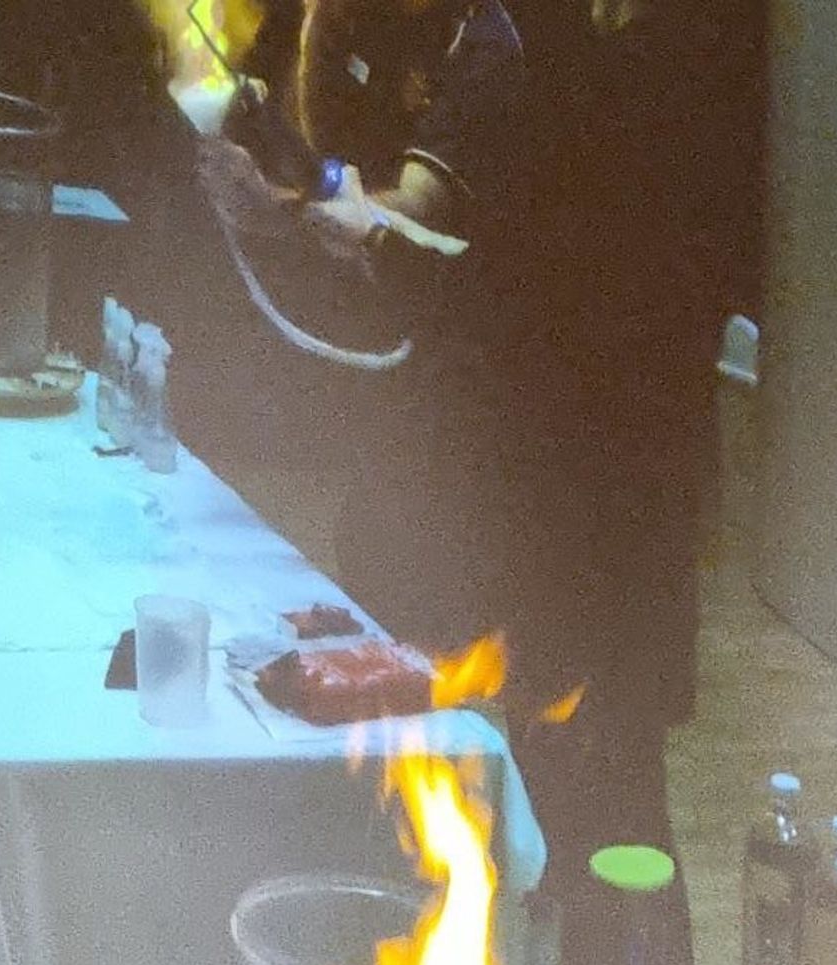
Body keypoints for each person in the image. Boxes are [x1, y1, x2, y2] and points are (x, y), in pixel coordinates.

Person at [190, 0, 762, 905]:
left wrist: (340, 223)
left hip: (597, 494)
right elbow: (430, 231)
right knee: (449, 778)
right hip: (498, 477)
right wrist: (305, 213)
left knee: (603, 800)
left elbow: (475, 248)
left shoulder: (604, 59)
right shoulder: (495, 36)